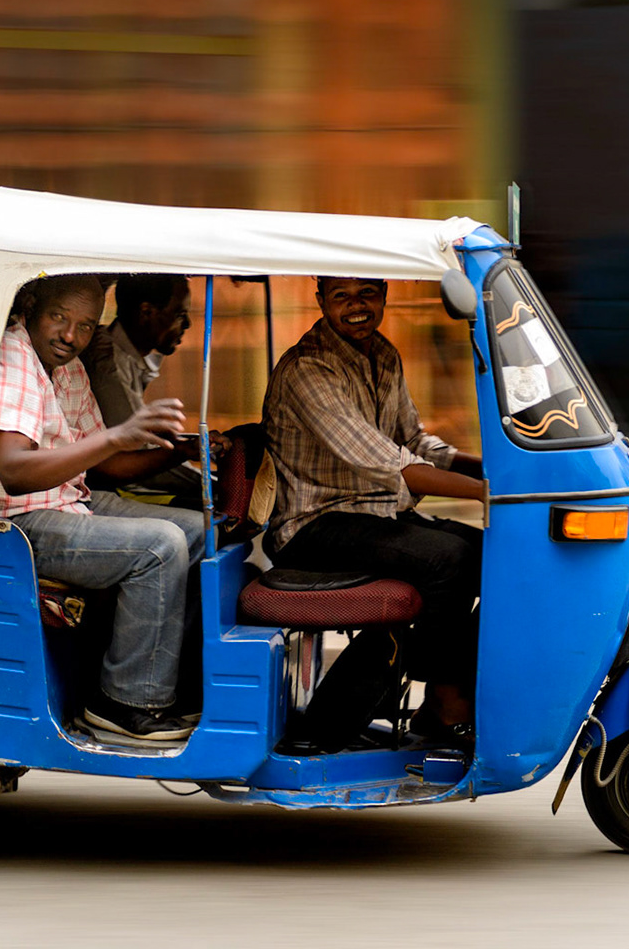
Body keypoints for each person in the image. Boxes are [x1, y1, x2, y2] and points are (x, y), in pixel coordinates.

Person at [0, 274, 205, 742]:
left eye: (85, 326)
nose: (70, 336)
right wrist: (115, 436)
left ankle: (166, 681)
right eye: (60, 318)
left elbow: (110, 466)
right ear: (30, 308)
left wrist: (182, 450)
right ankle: (122, 703)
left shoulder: (67, 365)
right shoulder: (17, 355)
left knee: (200, 531)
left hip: (69, 499)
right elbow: (16, 470)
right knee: (160, 547)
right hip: (20, 522)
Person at [261, 276, 485, 745]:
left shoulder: (382, 353)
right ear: (320, 301)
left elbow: (415, 441)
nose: (356, 306)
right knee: (448, 559)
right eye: (341, 296)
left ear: (384, 294)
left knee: (488, 551)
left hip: (373, 513)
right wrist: (484, 493)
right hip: (314, 525)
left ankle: (442, 681)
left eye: (366, 293)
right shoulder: (309, 370)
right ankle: (444, 699)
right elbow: (390, 464)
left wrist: (495, 469)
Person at [85, 273, 213, 505]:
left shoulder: (131, 358)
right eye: (179, 314)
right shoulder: (107, 366)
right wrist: (208, 484)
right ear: (146, 313)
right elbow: (131, 461)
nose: (187, 325)